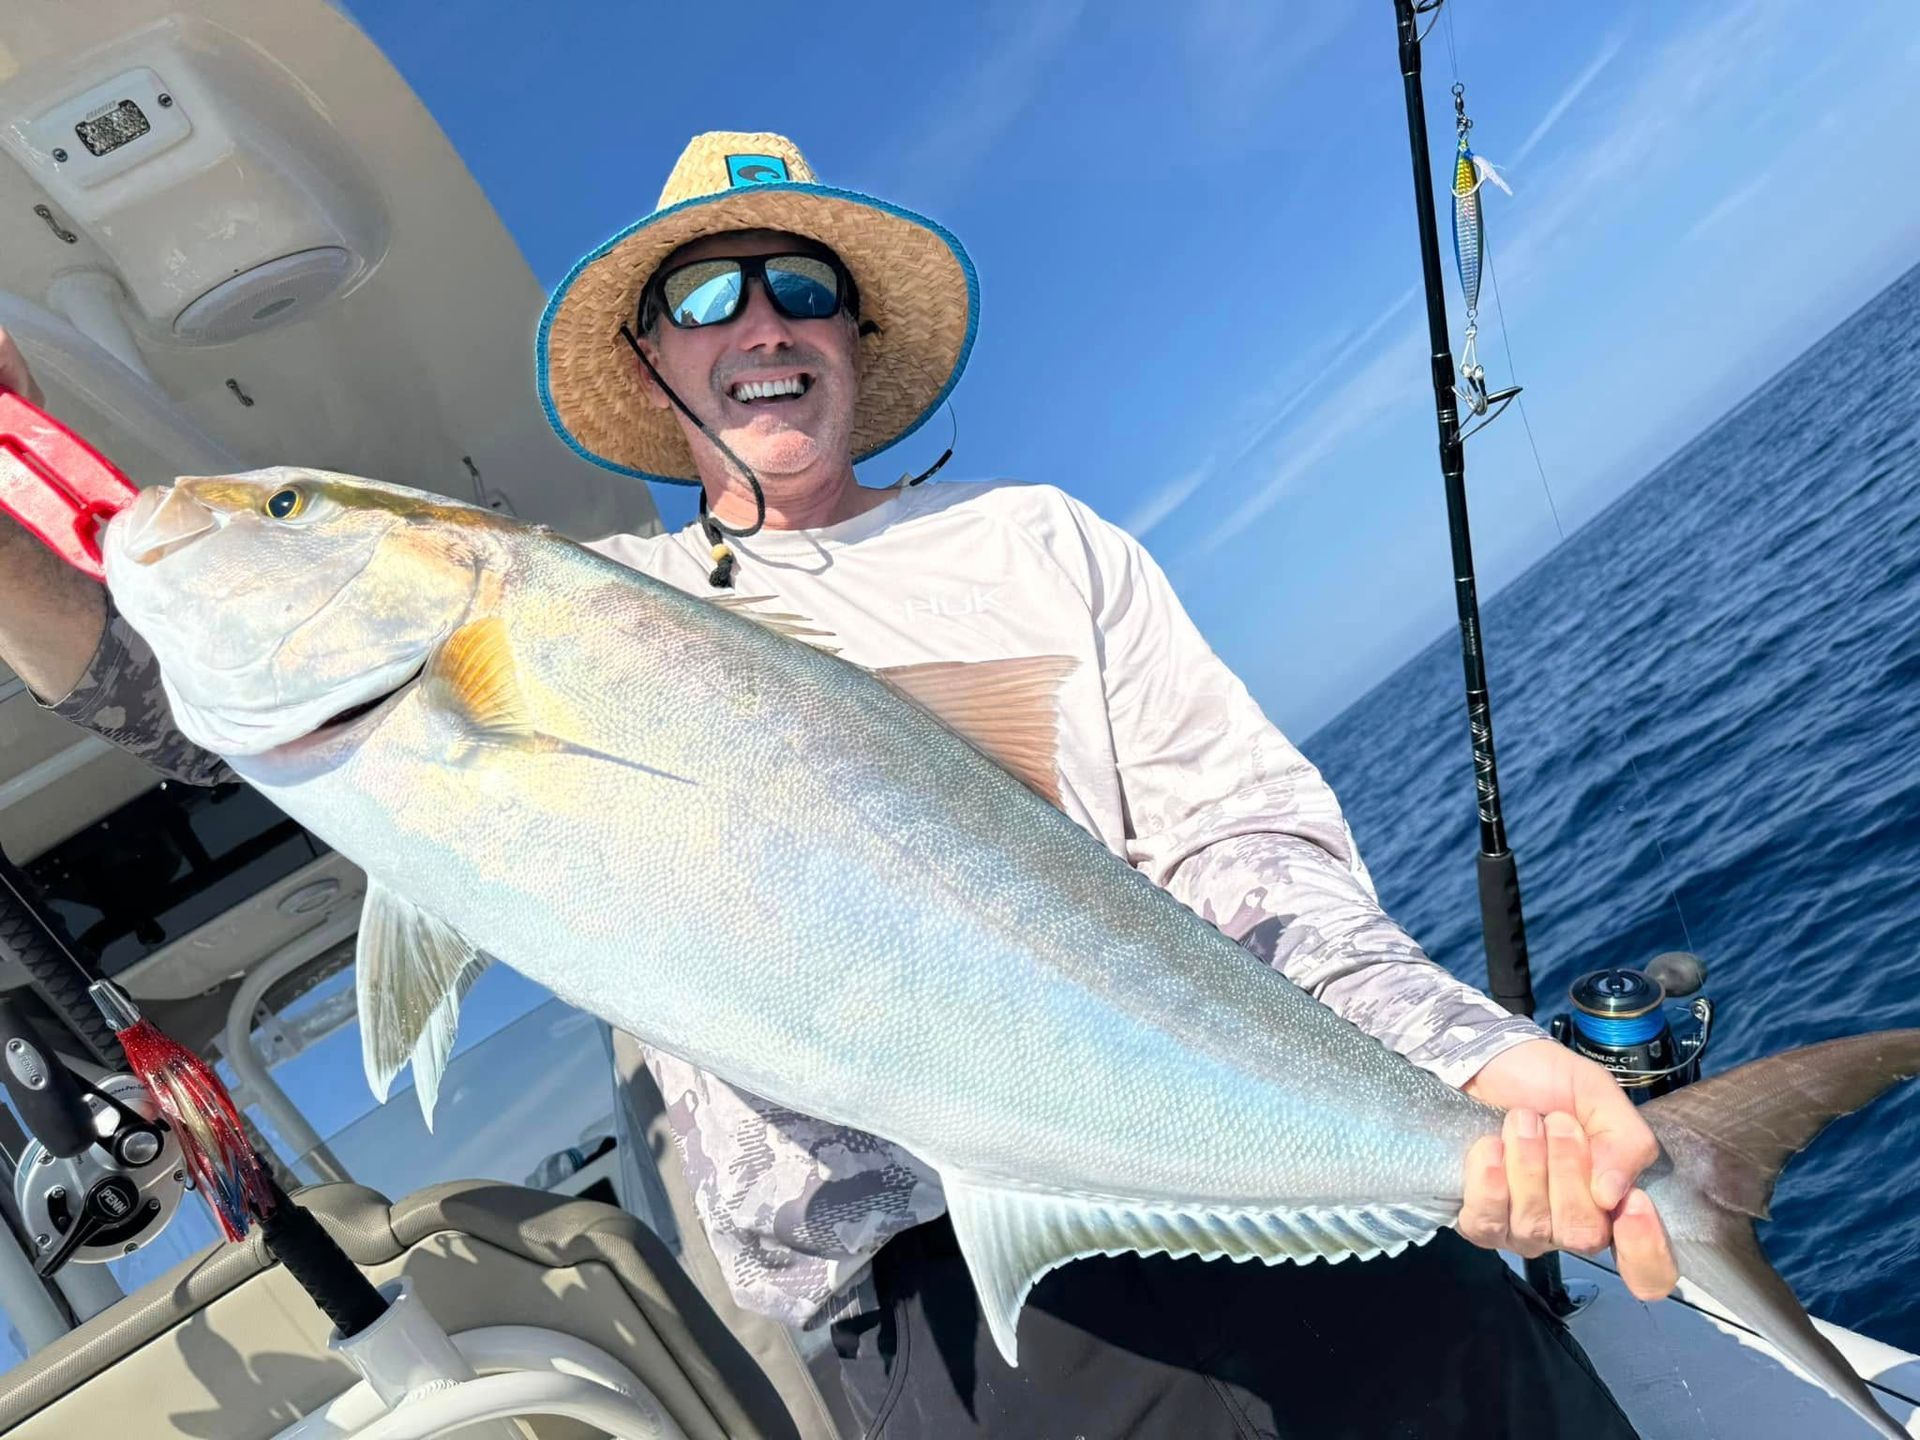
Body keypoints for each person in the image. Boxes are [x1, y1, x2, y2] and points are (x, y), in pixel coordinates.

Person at [0, 132, 1676, 1437]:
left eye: (795, 283)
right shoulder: (580, 595)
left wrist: (1469, 1069)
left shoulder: (1035, 545)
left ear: (855, 329)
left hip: (1265, 1181)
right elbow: (165, 687)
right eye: (703, 301)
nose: (759, 328)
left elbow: (1250, 857)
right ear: (652, 365)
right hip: (951, 1314)